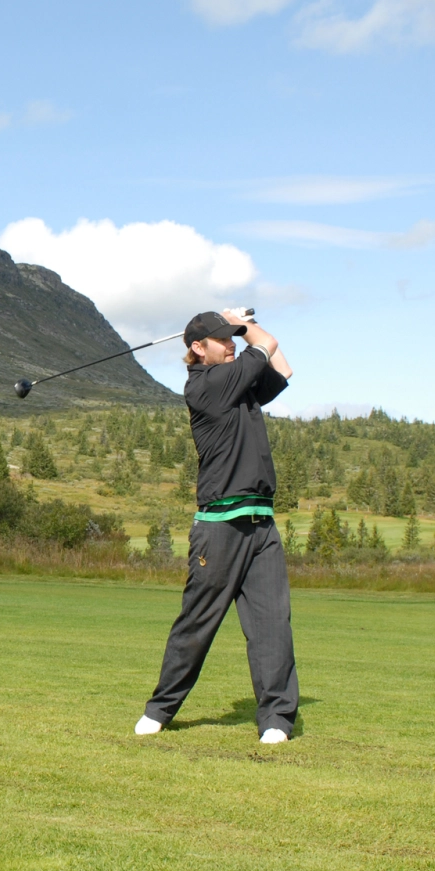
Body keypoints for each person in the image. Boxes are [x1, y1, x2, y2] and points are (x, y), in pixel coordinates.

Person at [134, 309, 298, 745]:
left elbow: (283, 368)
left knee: (272, 625)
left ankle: (277, 719)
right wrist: (241, 324)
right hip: (220, 527)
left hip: (261, 524)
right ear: (197, 347)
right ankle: (160, 709)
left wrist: (239, 326)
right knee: (198, 623)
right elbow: (266, 345)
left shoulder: (239, 384)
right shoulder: (206, 385)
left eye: (232, 338)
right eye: (222, 339)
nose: (231, 344)